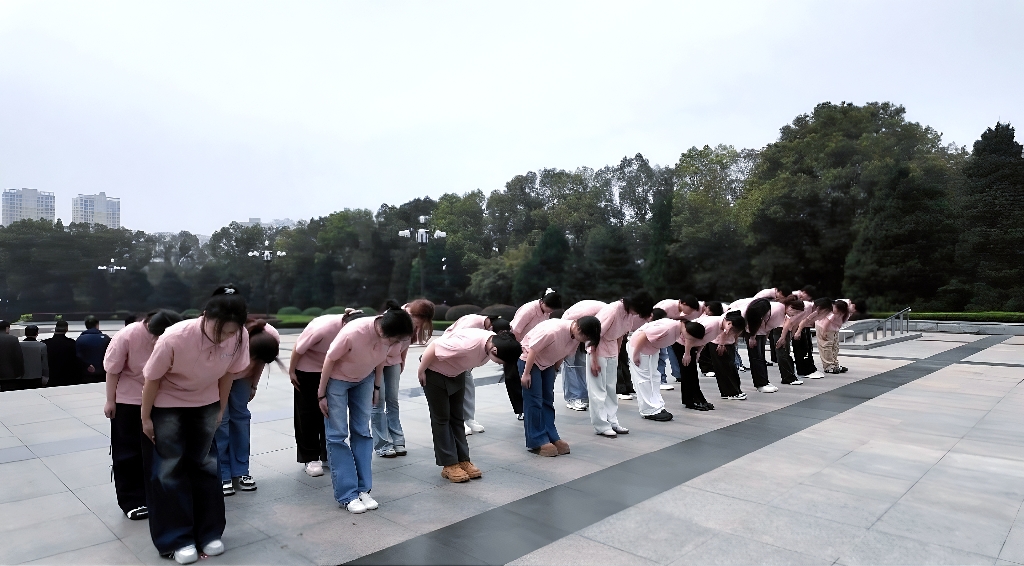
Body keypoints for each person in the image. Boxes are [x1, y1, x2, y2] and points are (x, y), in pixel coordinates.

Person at [141, 286, 251, 564]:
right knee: (170, 470)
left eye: (230, 332)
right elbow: (152, 379)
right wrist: (145, 417)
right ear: (205, 316)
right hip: (168, 404)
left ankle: (209, 533)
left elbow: (229, 374)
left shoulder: (239, 336)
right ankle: (177, 539)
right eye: (220, 331)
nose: (224, 338)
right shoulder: (175, 337)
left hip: (206, 403)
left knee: (207, 466)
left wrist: (220, 409)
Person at [319, 307, 414, 514]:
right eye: (395, 340)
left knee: (362, 432)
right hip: (337, 381)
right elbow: (329, 359)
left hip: (364, 380)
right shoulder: (354, 332)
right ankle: (347, 495)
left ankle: (363, 489)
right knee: (337, 435)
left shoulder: (388, 336)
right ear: (382, 331)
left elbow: (380, 361)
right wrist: (321, 394)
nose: (396, 345)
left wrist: (376, 387)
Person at [103, 310, 182, 521]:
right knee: (128, 452)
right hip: (129, 400)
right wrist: (110, 400)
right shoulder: (127, 335)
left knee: (158, 451)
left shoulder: (174, 335)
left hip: (160, 400)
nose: (158, 341)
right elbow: (112, 370)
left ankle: (156, 495)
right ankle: (132, 500)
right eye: (156, 336)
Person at [418, 329, 522, 483]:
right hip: (435, 371)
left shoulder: (492, 344)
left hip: (457, 373)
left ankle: (463, 460)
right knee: (441, 418)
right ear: (494, 350)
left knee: (457, 418)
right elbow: (434, 346)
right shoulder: (468, 345)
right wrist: (421, 371)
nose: (500, 364)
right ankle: (449, 464)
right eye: (500, 361)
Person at [519, 316, 601, 456]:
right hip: (530, 361)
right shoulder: (553, 331)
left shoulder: (575, 336)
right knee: (534, 400)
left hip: (548, 363)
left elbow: (563, 353)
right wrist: (526, 374)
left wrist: (555, 370)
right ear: (578, 328)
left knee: (548, 399)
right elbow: (532, 350)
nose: (583, 341)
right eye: (585, 337)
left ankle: (551, 435)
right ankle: (537, 440)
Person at [216, 320, 280, 496]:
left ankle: (241, 471)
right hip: (219, 376)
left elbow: (261, 361)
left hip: (243, 378)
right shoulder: (230, 337)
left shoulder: (270, 335)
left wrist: (253, 384)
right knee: (221, 421)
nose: (250, 362)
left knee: (241, 419)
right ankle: (222, 473)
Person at [289, 310, 353, 477]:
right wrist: (292, 371)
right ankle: (310, 457)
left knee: (329, 411)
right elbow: (299, 347)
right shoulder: (324, 328)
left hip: (332, 370)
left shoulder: (355, 331)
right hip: (307, 369)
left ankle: (328, 454)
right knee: (307, 413)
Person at [373, 299, 434, 458]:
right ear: (411, 314)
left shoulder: (414, 322)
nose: (417, 326)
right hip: (377, 362)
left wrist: (402, 361)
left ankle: (398, 440)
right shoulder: (393, 317)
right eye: (417, 322)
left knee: (393, 401)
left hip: (393, 362)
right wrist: (376, 382)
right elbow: (379, 348)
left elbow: (405, 344)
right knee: (378, 402)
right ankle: (382, 444)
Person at [590, 291, 654, 438]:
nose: (637, 314)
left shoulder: (629, 313)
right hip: (598, 350)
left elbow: (621, 335)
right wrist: (593, 359)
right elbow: (594, 335)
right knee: (598, 390)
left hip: (612, 351)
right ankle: (601, 425)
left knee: (611, 389)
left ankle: (612, 421)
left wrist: (617, 355)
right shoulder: (613, 310)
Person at [442, 313, 511, 435]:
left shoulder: (486, 327)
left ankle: (469, 418)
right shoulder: (472, 323)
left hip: (465, 361)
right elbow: (455, 342)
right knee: (456, 390)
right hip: (451, 357)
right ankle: (458, 420)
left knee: (468, 387)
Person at [559, 300, 606, 412]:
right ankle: (573, 397)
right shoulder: (602, 315)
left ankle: (583, 395)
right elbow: (593, 338)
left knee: (582, 362)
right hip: (570, 330)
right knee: (570, 363)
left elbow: (595, 339)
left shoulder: (608, 314)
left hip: (583, 330)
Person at [727, 297, 780, 394]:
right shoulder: (745, 312)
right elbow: (749, 325)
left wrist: (764, 335)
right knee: (756, 357)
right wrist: (752, 337)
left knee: (761, 357)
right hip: (748, 329)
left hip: (757, 331)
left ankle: (764, 381)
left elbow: (763, 323)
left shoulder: (764, 307)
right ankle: (760, 384)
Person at [652, 295, 704, 391]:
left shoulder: (693, 311)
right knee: (660, 355)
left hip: (676, 334)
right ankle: (660, 380)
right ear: (683, 303)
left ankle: (678, 374)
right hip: (660, 332)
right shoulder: (667, 306)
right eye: (690, 309)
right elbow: (654, 319)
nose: (690, 312)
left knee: (672, 354)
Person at [711, 311, 750, 400]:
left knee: (730, 368)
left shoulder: (736, 319)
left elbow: (736, 332)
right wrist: (721, 344)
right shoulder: (727, 322)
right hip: (719, 344)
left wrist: (734, 340)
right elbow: (724, 331)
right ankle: (730, 393)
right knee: (725, 369)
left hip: (728, 344)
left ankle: (733, 391)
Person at [772, 299, 808, 386]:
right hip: (779, 330)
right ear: (790, 307)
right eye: (795, 312)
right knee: (782, 354)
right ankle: (788, 378)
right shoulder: (779, 308)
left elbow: (792, 324)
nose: (795, 314)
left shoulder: (786, 310)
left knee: (785, 354)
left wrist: (789, 336)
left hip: (784, 331)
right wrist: (783, 337)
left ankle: (789, 376)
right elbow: (786, 324)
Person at [816, 300, 852, 374]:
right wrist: (823, 333)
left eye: (834, 307)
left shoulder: (844, 314)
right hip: (823, 328)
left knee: (835, 347)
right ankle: (828, 366)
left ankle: (834, 364)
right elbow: (825, 324)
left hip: (833, 330)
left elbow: (839, 324)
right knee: (826, 347)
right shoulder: (832, 314)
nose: (832, 308)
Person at [43, 320, 81, 387]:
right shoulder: (71, 343)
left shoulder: (45, 343)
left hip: (51, 377)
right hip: (68, 377)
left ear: (55, 329)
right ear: (66, 329)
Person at [77, 316, 111, 384]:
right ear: (97, 325)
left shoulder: (80, 339)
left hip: (86, 373)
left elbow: (78, 356)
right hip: (103, 372)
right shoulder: (105, 338)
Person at [18, 325, 48, 389]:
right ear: (37, 333)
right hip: (37, 376)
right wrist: (46, 376)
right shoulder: (42, 346)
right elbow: (44, 363)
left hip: (22, 376)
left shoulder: (19, 345)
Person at [0, 320, 26, 391]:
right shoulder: (12, 339)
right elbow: (18, 357)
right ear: (7, 328)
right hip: (9, 374)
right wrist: (21, 372)